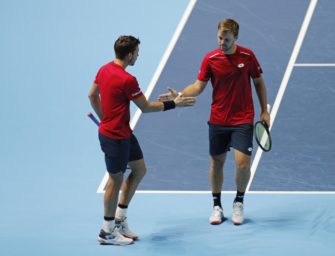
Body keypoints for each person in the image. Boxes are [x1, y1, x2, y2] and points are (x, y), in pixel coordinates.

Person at [158, 19, 270, 225]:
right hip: (218, 119)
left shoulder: (247, 56)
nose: (222, 42)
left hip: (243, 118)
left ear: (235, 38)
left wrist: (264, 110)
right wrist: (180, 95)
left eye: (226, 39)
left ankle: (239, 201)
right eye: (219, 38)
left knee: (243, 164)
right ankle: (217, 205)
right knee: (217, 163)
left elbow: (259, 82)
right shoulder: (210, 59)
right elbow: (198, 86)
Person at [88, 35, 196, 245]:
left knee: (139, 170)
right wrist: (175, 104)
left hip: (123, 133)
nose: (138, 55)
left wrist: (105, 119)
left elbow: (92, 95)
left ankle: (119, 219)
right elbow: (145, 107)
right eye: (137, 52)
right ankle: (106, 231)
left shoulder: (104, 69)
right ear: (129, 55)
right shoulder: (127, 80)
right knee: (115, 181)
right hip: (115, 138)